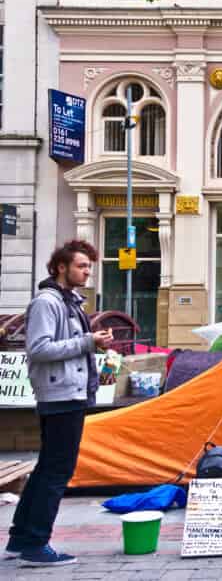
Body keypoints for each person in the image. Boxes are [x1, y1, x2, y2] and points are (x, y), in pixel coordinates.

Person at [6, 240, 114, 567]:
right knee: (57, 471)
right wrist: (87, 341)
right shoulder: (47, 302)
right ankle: (36, 543)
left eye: (89, 267)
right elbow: (38, 348)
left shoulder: (69, 302)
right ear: (61, 267)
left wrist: (92, 345)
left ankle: (22, 537)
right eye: (81, 266)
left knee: (45, 469)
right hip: (60, 394)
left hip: (69, 391)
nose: (86, 272)